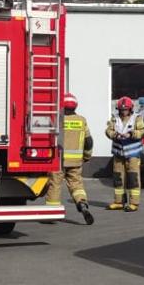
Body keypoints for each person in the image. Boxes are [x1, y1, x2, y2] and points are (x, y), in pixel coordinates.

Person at [49, 93, 95, 224]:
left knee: (55, 185)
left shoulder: (56, 119)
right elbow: (89, 142)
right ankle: (82, 204)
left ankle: (52, 215)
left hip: (58, 160)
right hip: (75, 162)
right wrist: (86, 156)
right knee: (76, 185)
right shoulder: (81, 120)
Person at [104, 96, 144, 212]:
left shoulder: (136, 118)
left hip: (132, 154)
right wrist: (114, 135)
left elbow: (143, 131)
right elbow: (108, 131)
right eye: (121, 109)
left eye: (126, 109)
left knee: (133, 178)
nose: (123, 112)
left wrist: (132, 134)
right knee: (118, 178)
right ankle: (119, 202)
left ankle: (134, 203)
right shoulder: (114, 118)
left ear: (130, 109)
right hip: (118, 153)